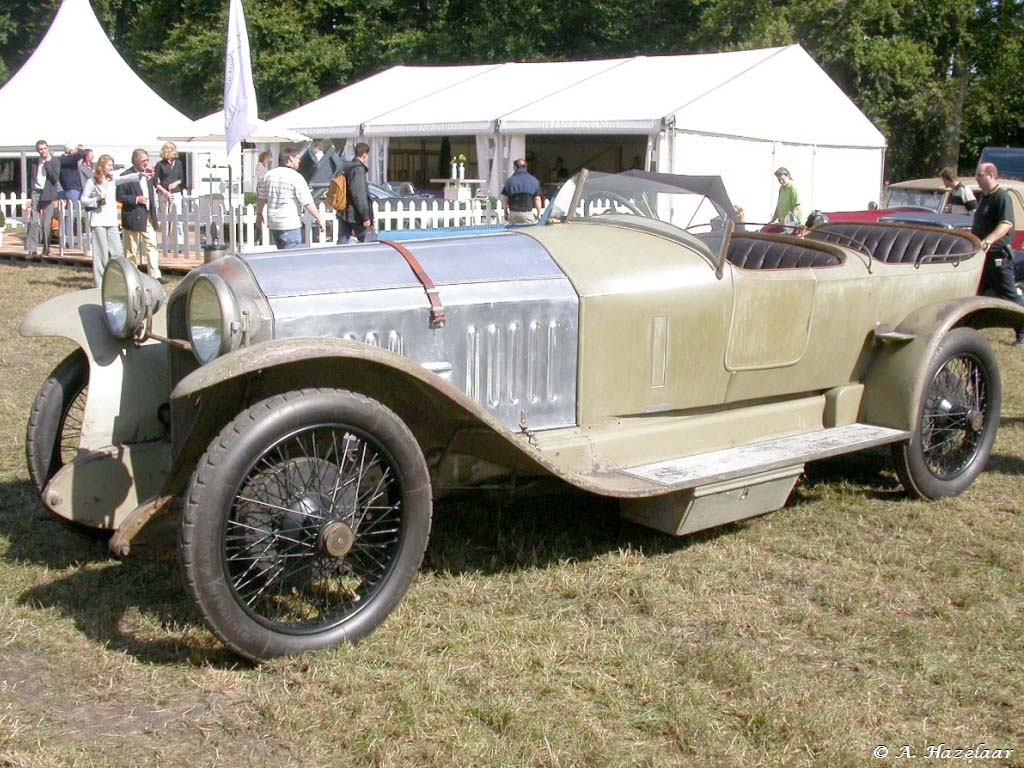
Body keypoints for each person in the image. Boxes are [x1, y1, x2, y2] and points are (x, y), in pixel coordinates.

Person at [972, 162, 1024, 346]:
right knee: (975, 294)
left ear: (991, 175)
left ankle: (1023, 331)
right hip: (982, 256)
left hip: (997, 255)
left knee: (1009, 294)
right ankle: (969, 333)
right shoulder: (985, 198)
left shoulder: (1001, 197)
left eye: (980, 175)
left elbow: (1006, 223)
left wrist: (988, 240)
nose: (977, 179)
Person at [81, 154, 145, 287]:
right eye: (109, 165)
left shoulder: (112, 180)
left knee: (117, 252)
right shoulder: (92, 182)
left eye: (112, 165)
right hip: (98, 221)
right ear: (101, 166)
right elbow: (83, 200)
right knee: (101, 254)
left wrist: (140, 175)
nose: (111, 168)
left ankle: (116, 280)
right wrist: (97, 199)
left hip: (111, 222)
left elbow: (125, 178)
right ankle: (100, 285)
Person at [256, 146, 324, 250]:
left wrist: (259, 215)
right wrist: (319, 218)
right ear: (290, 159)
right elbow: (307, 202)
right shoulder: (296, 177)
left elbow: (262, 198)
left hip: (274, 223)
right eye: (297, 157)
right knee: (291, 259)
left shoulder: (269, 175)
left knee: (281, 253)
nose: (299, 160)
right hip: (290, 223)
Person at [116, 148, 162, 280]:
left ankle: (155, 275)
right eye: (143, 160)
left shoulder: (148, 175)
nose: (146, 163)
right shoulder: (126, 176)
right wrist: (136, 199)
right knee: (131, 249)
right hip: (132, 214)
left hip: (147, 214)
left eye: (147, 160)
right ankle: (132, 276)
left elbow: (153, 191)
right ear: (135, 160)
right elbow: (119, 196)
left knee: (152, 245)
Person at [24, 139, 61, 259]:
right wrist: (31, 191)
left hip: (48, 193)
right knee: (34, 221)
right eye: (40, 149)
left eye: (44, 148)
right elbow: (32, 178)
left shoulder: (55, 161)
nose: (43, 151)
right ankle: (31, 249)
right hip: (36, 192)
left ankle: (46, 248)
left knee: (46, 223)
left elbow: (54, 178)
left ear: (48, 148)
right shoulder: (34, 162)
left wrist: (47, 163)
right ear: (37, 150)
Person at [335, 142, 374, 244]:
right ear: (365, 155)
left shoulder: (346, 167)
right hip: (355, 214)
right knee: (366, 241)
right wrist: (365, 217)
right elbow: (359, 195)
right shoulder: (358, 169)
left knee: (342, 241)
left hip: (343, 210)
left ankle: (336, 259)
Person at [154, 141, 185, 250]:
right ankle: (165, 244)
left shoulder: (178, 163)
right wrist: (165, 192)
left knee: (178, 219)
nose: (174, 153)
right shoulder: (160, 164)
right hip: (164, 194)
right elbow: (155, 182)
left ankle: (179, 244)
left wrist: (176, 183)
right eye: (172, 151)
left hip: (176, 193)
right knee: (165, 220)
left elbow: (181, 179)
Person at [501, 158, 543, 225]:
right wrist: (538, 213)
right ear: (526, 167)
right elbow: (537, 199)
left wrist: (505, 213)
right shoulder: (534, 181)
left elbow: (505, 200)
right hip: (527, 214)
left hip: (513, 214)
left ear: (515, 167)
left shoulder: (509, 181)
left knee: (514, 234)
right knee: (528, 234)